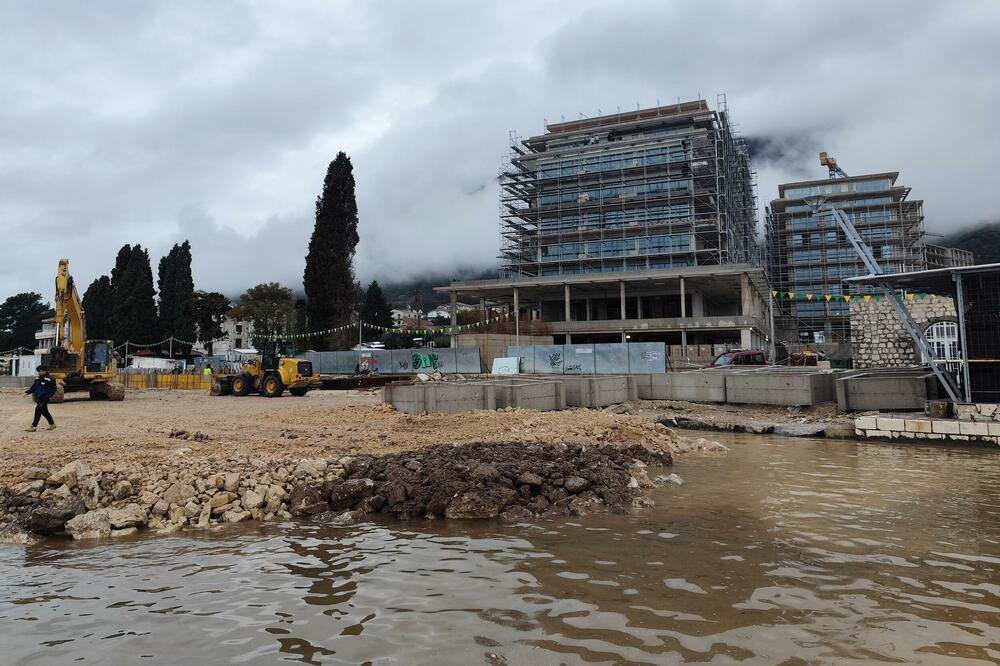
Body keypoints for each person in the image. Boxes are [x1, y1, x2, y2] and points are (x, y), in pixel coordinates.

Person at [24, 365, 57, 432]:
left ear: (45, 371)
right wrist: (27, 393)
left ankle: (33, 426)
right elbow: (33, 387)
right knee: (44, 411)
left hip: (44, 398)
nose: (40, 372)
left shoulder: (50, 379)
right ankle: (52, 424)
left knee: (38, 410)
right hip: (39, 398)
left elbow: (54, 389)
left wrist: (49, 396)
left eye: (42, 371)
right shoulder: (37, 379)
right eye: (39, 371)